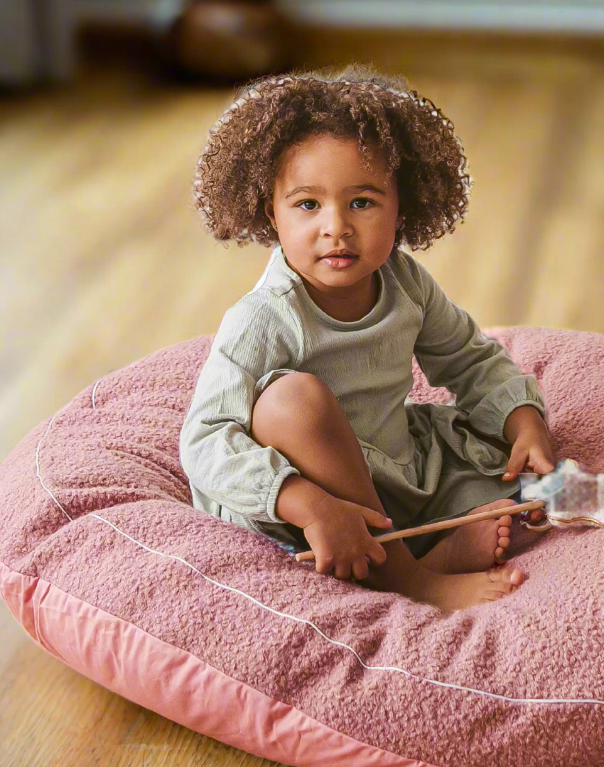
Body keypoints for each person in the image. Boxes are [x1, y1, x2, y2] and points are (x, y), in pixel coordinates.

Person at [180, 64, 556, 611]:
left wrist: (525, 423)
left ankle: (434, 544)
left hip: (387, 468)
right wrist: (304, 501)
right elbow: (205, 439)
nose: (337, 226)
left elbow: (470, 359)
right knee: (292, 399)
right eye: (308, 204)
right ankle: (410, 577)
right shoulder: (262, 318)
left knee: (507, 486)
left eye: (362, 202)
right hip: (299, 496)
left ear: (401, 209)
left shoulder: (405, 283)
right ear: (273, 215)